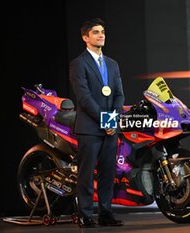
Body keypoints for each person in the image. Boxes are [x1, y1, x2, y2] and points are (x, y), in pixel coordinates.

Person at [69, 18, 125, 228]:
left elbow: (119, 95)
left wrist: (113, 119)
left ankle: (105, 214)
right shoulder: (78, 63)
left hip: (110, 129)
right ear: (85, 37)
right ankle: (84, 214)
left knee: (107, 173)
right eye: (95, 32)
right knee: (85, 173)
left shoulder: (112, 64)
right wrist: (105, 120)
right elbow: (83, 98)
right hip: (90, 128)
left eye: (102, 31)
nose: (101, 35)